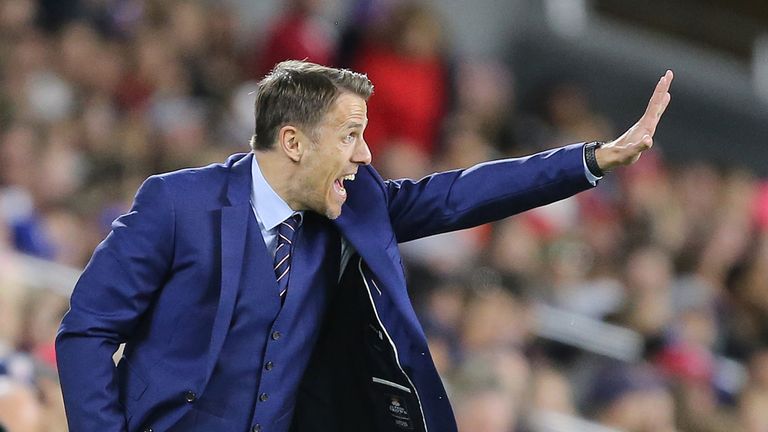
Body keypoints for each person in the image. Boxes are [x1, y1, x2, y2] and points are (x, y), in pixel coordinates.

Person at [55, 60, 673, 432]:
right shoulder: (176, 203)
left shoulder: (354, 204)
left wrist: (590, 160)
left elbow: (461, 194)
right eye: (351, 135)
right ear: (293, 142)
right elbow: (86, 330)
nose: (365, 154)